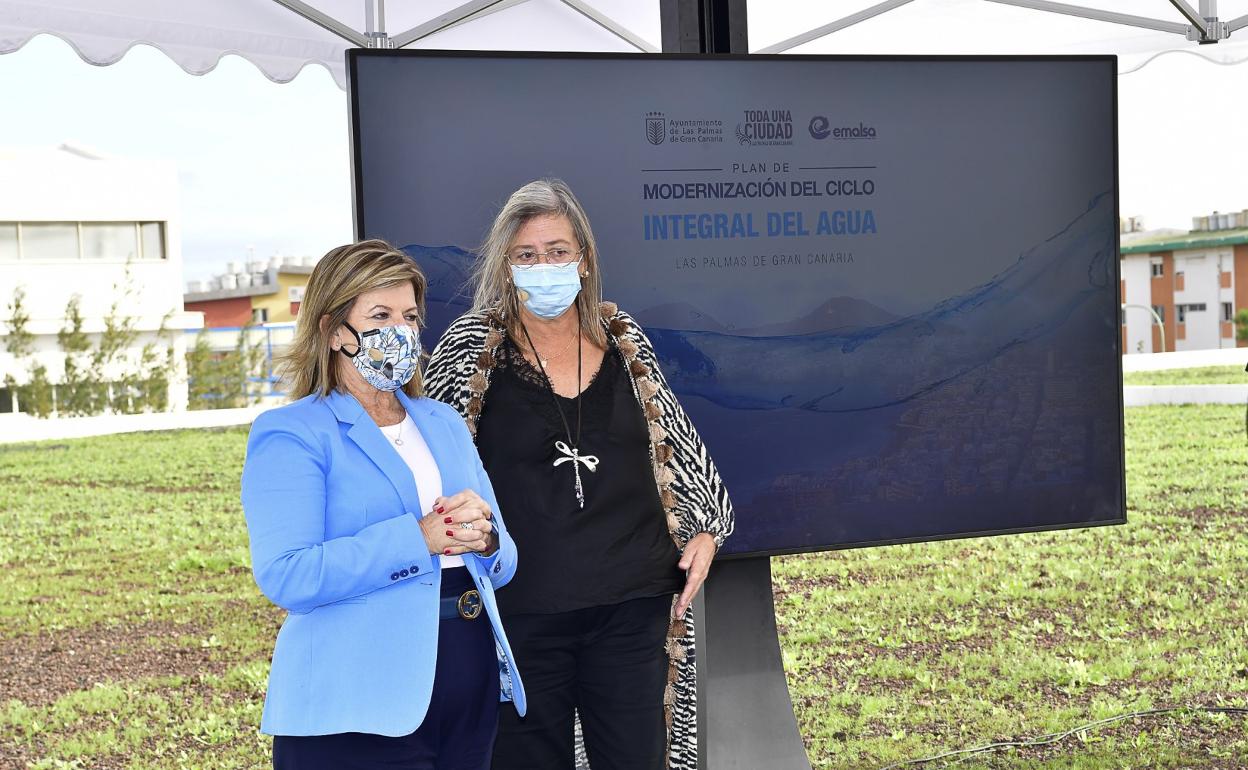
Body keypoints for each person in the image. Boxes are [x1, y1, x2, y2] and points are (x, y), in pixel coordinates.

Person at [425, 180, 734, 770]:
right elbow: (429, 459)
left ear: (584, 260)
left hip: (634, 605)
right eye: (527, 255)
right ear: (506, 266)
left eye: (558, 252)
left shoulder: (623, 338)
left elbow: (676, 441)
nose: (544, 267)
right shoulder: (470, 346)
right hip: (522, 611)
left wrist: (707, 526)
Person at [240, 239, 526, 770]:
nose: (401, 330)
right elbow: (288, 574)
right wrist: (418, 539)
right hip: (355, 703)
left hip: (468, 686)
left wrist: (485, 540)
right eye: (380, 315)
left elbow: (503, 557)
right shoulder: (291, 433)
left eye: (410, 317)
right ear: (333, 331)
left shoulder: (442, 422)